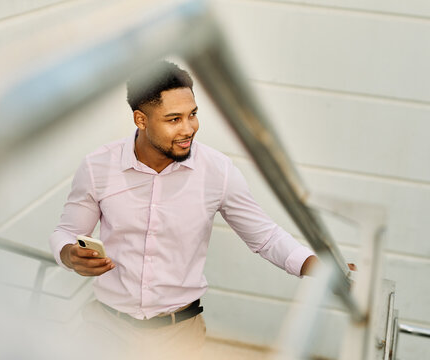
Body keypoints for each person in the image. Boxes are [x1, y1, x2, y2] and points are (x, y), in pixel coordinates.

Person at [49, 60, 318, 359]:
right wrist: (69, 255)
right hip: (105, 330)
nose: (189, 128)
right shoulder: (98, 166)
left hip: (179, 336)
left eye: (193, 115)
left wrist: (319, 268)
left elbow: (266, 237)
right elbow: (67, 233)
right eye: (174, 119)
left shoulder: (218, 170)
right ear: (141, 119)